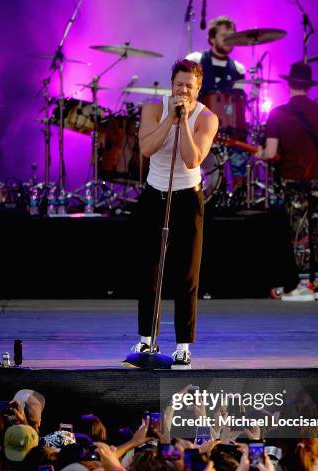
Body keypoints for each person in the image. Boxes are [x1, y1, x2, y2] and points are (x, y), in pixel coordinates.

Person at [128, 59, 218, 369]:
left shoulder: (208, 118)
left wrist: (184, 124)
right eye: (179, 85)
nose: (183, 91)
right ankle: (147, 338)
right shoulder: (154, 109)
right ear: (171, 84)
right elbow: (147, 149)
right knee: (149, 270)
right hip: (155, 195)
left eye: (189, 87)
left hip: (187, 199)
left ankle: (183, 345)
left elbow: (193, 159)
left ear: (198, 88)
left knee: (186, 274)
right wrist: (171, 120)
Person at [258, 61, 318, 301]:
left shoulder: (277, 114)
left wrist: (259, 154)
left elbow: (271, 153)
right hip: (317, 180)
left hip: (293, 179)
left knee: (300, 230)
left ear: (289, 85)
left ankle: (304, 286)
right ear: (309, 87)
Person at [187, 16, 247, 187]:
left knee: (242, 146)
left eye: (232, 35)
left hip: (231, 130)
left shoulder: (239, 69)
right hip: (200, 127)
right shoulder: (196, 60)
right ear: (212, 38)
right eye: (224, 35)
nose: (229, 39)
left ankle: (239, 191)